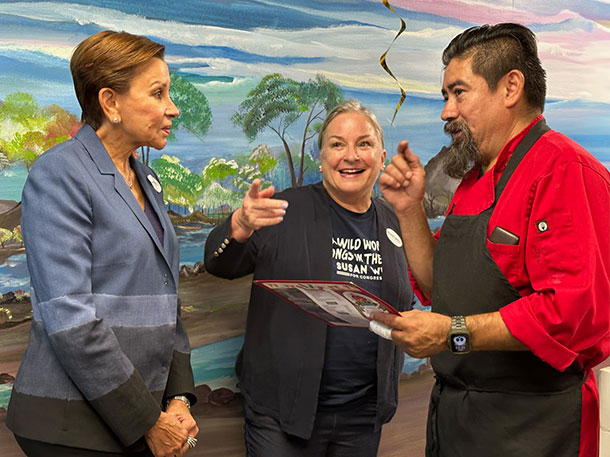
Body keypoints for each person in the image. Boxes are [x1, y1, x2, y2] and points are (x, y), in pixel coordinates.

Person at [373, 23, 609, 457]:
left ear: (510, 87)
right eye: (447, 96)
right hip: (457, 418)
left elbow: (568, 312)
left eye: (458, 93)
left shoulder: (563, 169)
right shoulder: (474, 182)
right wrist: (408, 208)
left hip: (532, 423)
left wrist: (452, 334)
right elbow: (438, 285)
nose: (446, 111)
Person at [7, 31, 199, 457]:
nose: (173, 107)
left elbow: (167, 298)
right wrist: (148, 421)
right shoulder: (59, 174)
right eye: (158, 93)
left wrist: (178, 399)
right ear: (110, 102)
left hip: (139, 414)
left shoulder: (147, 180)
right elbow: (70, 319)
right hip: (70, 427)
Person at [204, 100, 414, 457]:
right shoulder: (283, 210)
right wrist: (238, 227)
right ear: (321, 157)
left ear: (381, 157)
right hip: (282, 415)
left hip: (362, 416)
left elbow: (403, 299)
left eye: (364, 144)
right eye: (337, 144)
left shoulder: (394, 221)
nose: (351, 156)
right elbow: (219, 264)